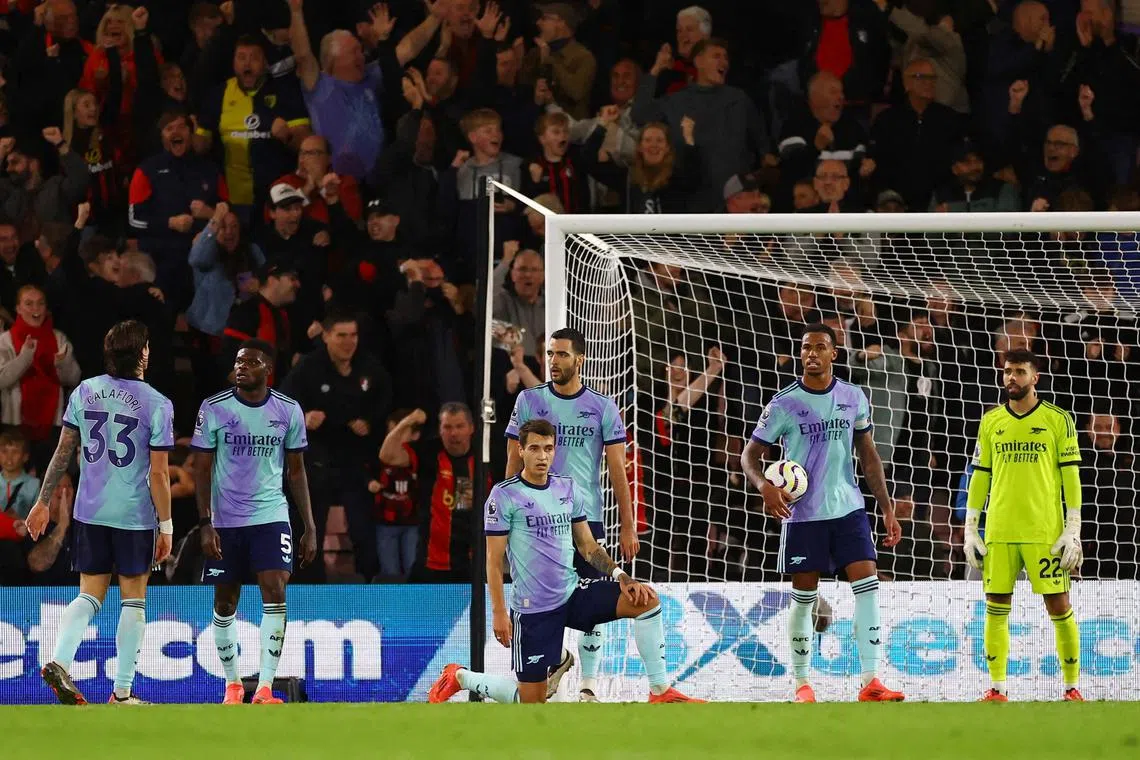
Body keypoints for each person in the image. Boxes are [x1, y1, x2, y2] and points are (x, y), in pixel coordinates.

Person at [427, 418, 702, 704]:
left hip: (572, 593)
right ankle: (460, 676)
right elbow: (493, 561)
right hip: (533, 609)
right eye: (534, 448)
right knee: (531, 701)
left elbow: (587, 546)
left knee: (646, 600)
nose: (542, 456)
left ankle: (660, 691)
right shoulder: (504, 495)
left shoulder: (566, 489)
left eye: (548, 448)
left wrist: (621, 575)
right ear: (520, 451)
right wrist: (498, 612)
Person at [740, 323, 905, 703]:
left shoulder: (853, 397)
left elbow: (868, 454)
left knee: (868, 589)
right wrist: (765, 486)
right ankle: (801, 683)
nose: (811, 353)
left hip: (848, 509)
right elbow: (749, 455)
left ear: (834, 353)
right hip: (804, 515)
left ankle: (871, 681)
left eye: (819, 347)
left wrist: (886, 508)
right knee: (803, 596)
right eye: (805, 348)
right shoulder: (783, 403)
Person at [26, 320, 175, 706]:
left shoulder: (85, 390)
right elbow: (158, 474)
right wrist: (167, 525)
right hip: (134, 515)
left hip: (89, 511)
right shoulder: (158, 404)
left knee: (91, 594)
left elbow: (63, 453)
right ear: (143, 354)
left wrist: (42, 502)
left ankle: (59, 660)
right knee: (133, 599)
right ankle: (122, 693)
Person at [504, 328, 637, 702]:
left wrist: (627, 526)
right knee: (545, 595)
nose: (553, 361)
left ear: (580, 359)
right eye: (549, 354)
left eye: (561, 354)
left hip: (586, 518)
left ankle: (588, 686)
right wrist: (508, 514)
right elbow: (513, 459)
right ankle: (557, 660)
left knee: (592, 601)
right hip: (536, 521)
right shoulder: (529, 401)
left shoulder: (602, 407)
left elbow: (617, 471)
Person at [191, 338, 316, 705]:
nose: (241, 366)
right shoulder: (214, 408)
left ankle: (263, 687)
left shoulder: (289, 410)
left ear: (268, 369)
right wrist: (204, 522)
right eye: (238, 361)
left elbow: (296, 471)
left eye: (250, 361)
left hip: (270, 516)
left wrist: (309, 525)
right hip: (226, 521)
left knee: (275, 591)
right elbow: (201, 468)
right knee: (225, 603)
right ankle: (232, 685)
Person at [963, 348, 1084, 702]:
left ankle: (1072, 687)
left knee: (1059, 606)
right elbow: (980, 477)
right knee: (996, 606)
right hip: (999, 532)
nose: (1011, 378)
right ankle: (998, 688)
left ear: (1035, 377)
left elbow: (1071, 477)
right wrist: (972, 527)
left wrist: (1072, 526)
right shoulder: (991, 422)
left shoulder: (1057, 420)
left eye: (1019, 372)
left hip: (1044, 532)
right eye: (1006, 372)